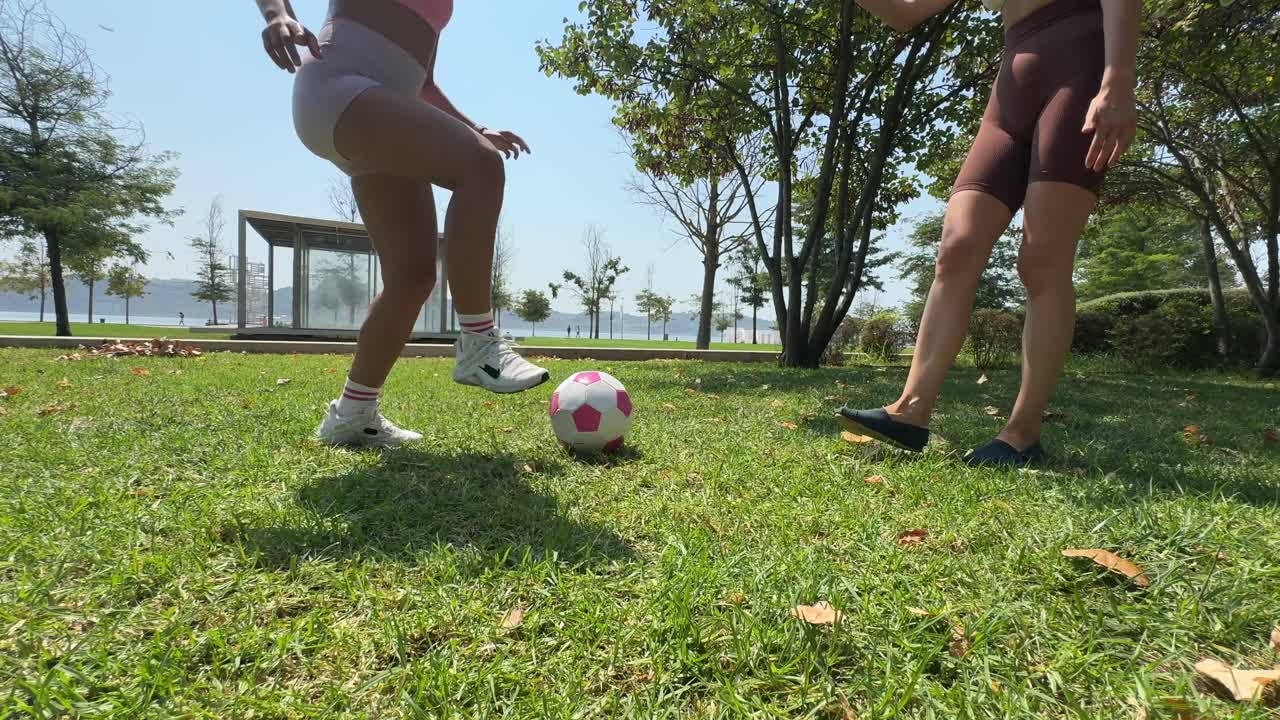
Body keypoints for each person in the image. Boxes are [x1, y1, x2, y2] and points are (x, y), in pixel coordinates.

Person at [837, 0, 1139, 466]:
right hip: (1011, 81)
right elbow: (904, 12)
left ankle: (1022, 433)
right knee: (957, 247)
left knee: (1041, 260)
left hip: (1080, 62)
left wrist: (1117, 80)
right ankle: (910, 410)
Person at [253, 0, 550, 448]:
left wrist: (475, 127)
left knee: (412, 277)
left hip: (381, 110)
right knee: (481, 167)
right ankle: (478, 342)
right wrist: (277, 14)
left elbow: (423, 82)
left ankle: (352, 414)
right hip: (337, 89)